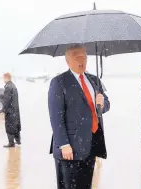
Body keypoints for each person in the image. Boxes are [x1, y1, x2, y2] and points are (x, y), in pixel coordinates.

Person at [48, 44, 110, 189]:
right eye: (77, 57)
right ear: (67, 61)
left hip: (91, 144)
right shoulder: (59, 82)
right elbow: (56, 117)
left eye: (84, 56)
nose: (82, 59)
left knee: (85, 185)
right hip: (70, 149)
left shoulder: (94, 80)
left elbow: (105, 105)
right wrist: (64, 144)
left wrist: (102, 103)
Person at [3, 73, 21, 148]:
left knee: (9, 126)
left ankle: (11, 143)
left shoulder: (8, 87)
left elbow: (6, 100)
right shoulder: (13, 86)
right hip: (15, 110)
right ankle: (18, 140)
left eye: (3, 78)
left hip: (10, 111)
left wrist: (5, 110)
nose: (3, 80)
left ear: (6, 78)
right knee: (16, 125)